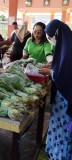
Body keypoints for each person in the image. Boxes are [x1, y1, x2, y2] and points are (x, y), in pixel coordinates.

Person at [39, 19, 72, 160]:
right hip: (61, 97)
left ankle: (60, 155)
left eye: (50, 38)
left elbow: (62, 75)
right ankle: (53, 151)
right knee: (56, 124)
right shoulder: (65, 46)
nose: (50, 41)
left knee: (63, 128)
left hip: (66, 98)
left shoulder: (69, 49)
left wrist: (48, 72)